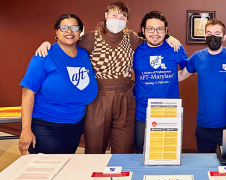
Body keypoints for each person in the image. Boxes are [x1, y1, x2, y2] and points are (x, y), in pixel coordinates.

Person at [35, 1, 180, 154]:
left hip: (125, 96)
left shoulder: (131, 37)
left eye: (122, 17)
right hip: (99, 97)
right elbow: (68, 42)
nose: (118, 19)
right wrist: (47, 44)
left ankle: (122, 177)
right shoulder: (91, 38)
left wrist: (169, 37)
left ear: (126, 21)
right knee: (95, 146)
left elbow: (153, 38)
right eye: (114, 15)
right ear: (106, 16)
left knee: (124, 148)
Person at [18, 14, 98, 155]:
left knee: (65, 165)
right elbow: (27, 92)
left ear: (80, 32)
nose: (69, 31)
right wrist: (26, 130)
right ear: (56, 31)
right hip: (45, 125)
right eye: (64, 27)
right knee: (50, 169)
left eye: (74, 28)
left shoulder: (85, 55)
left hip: (75, 126)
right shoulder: (44, 55)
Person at [178, 19, 226, 153]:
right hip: (204, 127)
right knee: (205, 167)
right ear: (205, 36)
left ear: (224, 37)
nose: (212, 36)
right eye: (209, 33)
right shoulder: (197, 57)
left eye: (217, 33)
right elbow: (180, 76)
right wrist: (158, 74)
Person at [133, 11, 188, 153]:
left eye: (160, 29)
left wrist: (176, 78)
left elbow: (188, 69)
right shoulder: (135, 49)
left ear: (166, 31)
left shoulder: (175, 47)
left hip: (168, 112)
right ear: (143, 30)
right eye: (150, 29)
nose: (155, 33)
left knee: (167, 154)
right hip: (142, 112)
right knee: (141, 154)